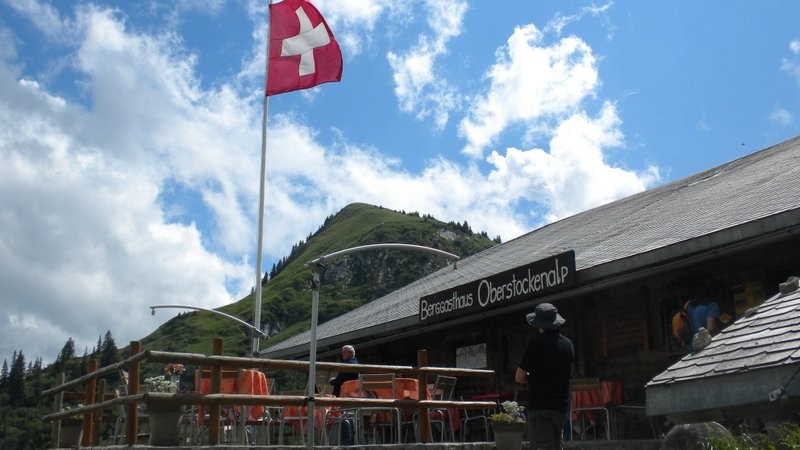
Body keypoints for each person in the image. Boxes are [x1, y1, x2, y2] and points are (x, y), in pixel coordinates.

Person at [515, 303, 574, 450]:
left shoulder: (535, 345)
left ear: (538, 324)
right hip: (560, 406)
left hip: (540, 407)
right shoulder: (568, 345)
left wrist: (532, 376)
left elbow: (519, 377)